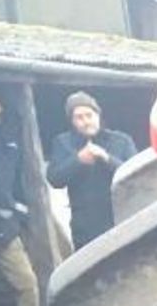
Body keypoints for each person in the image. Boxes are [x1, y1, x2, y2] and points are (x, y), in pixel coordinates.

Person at [0, 88, 47, 306]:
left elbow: (26, 176)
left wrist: (19, 210)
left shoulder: (11, 137)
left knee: (26, 282)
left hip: (4, 225)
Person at [46, 91, 137, 249]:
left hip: (120, 221)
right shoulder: (63, 143)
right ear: (72, 121)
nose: (86, 121)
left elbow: (135, 176)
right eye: (79, 117)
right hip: (85, 228)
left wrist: (106, 158)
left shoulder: (121, 140)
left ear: (98, 115)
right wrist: (78, 160)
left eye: (89, 115)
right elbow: (54, 179)